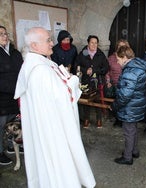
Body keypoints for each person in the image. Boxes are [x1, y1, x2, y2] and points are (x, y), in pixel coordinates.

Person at [14, 27, 96, 188]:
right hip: (51, 128)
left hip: (48, 124)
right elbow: (61, 97)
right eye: (48, 40)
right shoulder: (39, 70)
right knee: (57, 163)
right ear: (35, 45)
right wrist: (72, 81)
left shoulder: (40, 62)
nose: (52, 43)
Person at [111, 45, 146, 165]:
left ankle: (127, 157)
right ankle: (134, 151)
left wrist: (115, 105)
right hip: (136, 105)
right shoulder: (137, 67)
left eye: (118, 59)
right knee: (133, 129)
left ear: (125, 57)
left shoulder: (130, 71)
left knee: (128, 131)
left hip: (130, 107)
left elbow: (125, 95)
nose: (117, 61)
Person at [0, 25, 23, 165]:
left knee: (12, 124)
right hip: (1, 98)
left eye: (5, 33)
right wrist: (11, 88)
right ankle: (0, 152)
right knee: (0, 126)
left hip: (15, 98)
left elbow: (22, 71)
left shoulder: (15, 52)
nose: (4, 36)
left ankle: (10, 145)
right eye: (1, 34)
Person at [75, 35, 109, 127]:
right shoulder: (83, 53)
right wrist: (85, 70)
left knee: (97, 99)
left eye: (96, 43)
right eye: (92, 42)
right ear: (88, 43)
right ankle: (86, 119)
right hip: (85, 80)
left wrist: (94, 71)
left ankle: (99, 119)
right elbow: (76, 66)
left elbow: (105, 68)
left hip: (97, 81)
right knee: (86, 100)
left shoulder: (100, 54)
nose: (94, 45)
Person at [106, 39, 130, 127]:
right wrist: (108, 81)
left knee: (124, 101)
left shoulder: (128, 58)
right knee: (117, 100)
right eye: (119, 46)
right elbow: (107, 71)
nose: (121, 48)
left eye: (123, 46)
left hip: (125, 84)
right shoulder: (111, 58)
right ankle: (118, 119)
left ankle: (124, 119)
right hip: (114, 83)